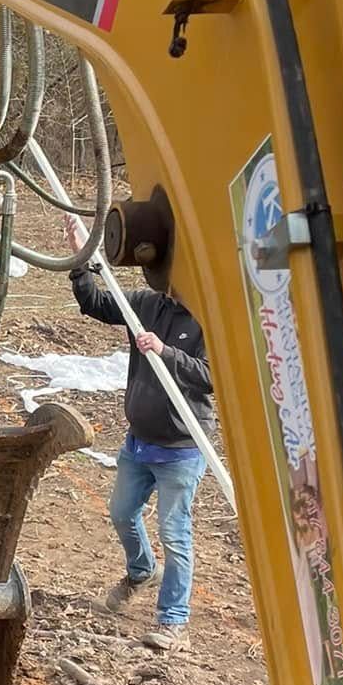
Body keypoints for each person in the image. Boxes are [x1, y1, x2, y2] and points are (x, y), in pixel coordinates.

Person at [63, 213, 214, 652]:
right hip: (138, 446)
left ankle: (172, 621)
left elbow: (212, 378)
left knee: (175, 534)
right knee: (122, 513)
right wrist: (81, 256)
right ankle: (140, 571)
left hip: (181, 452)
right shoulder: (147, 305)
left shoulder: (206, 321)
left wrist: (165, 352)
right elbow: (94, 302)